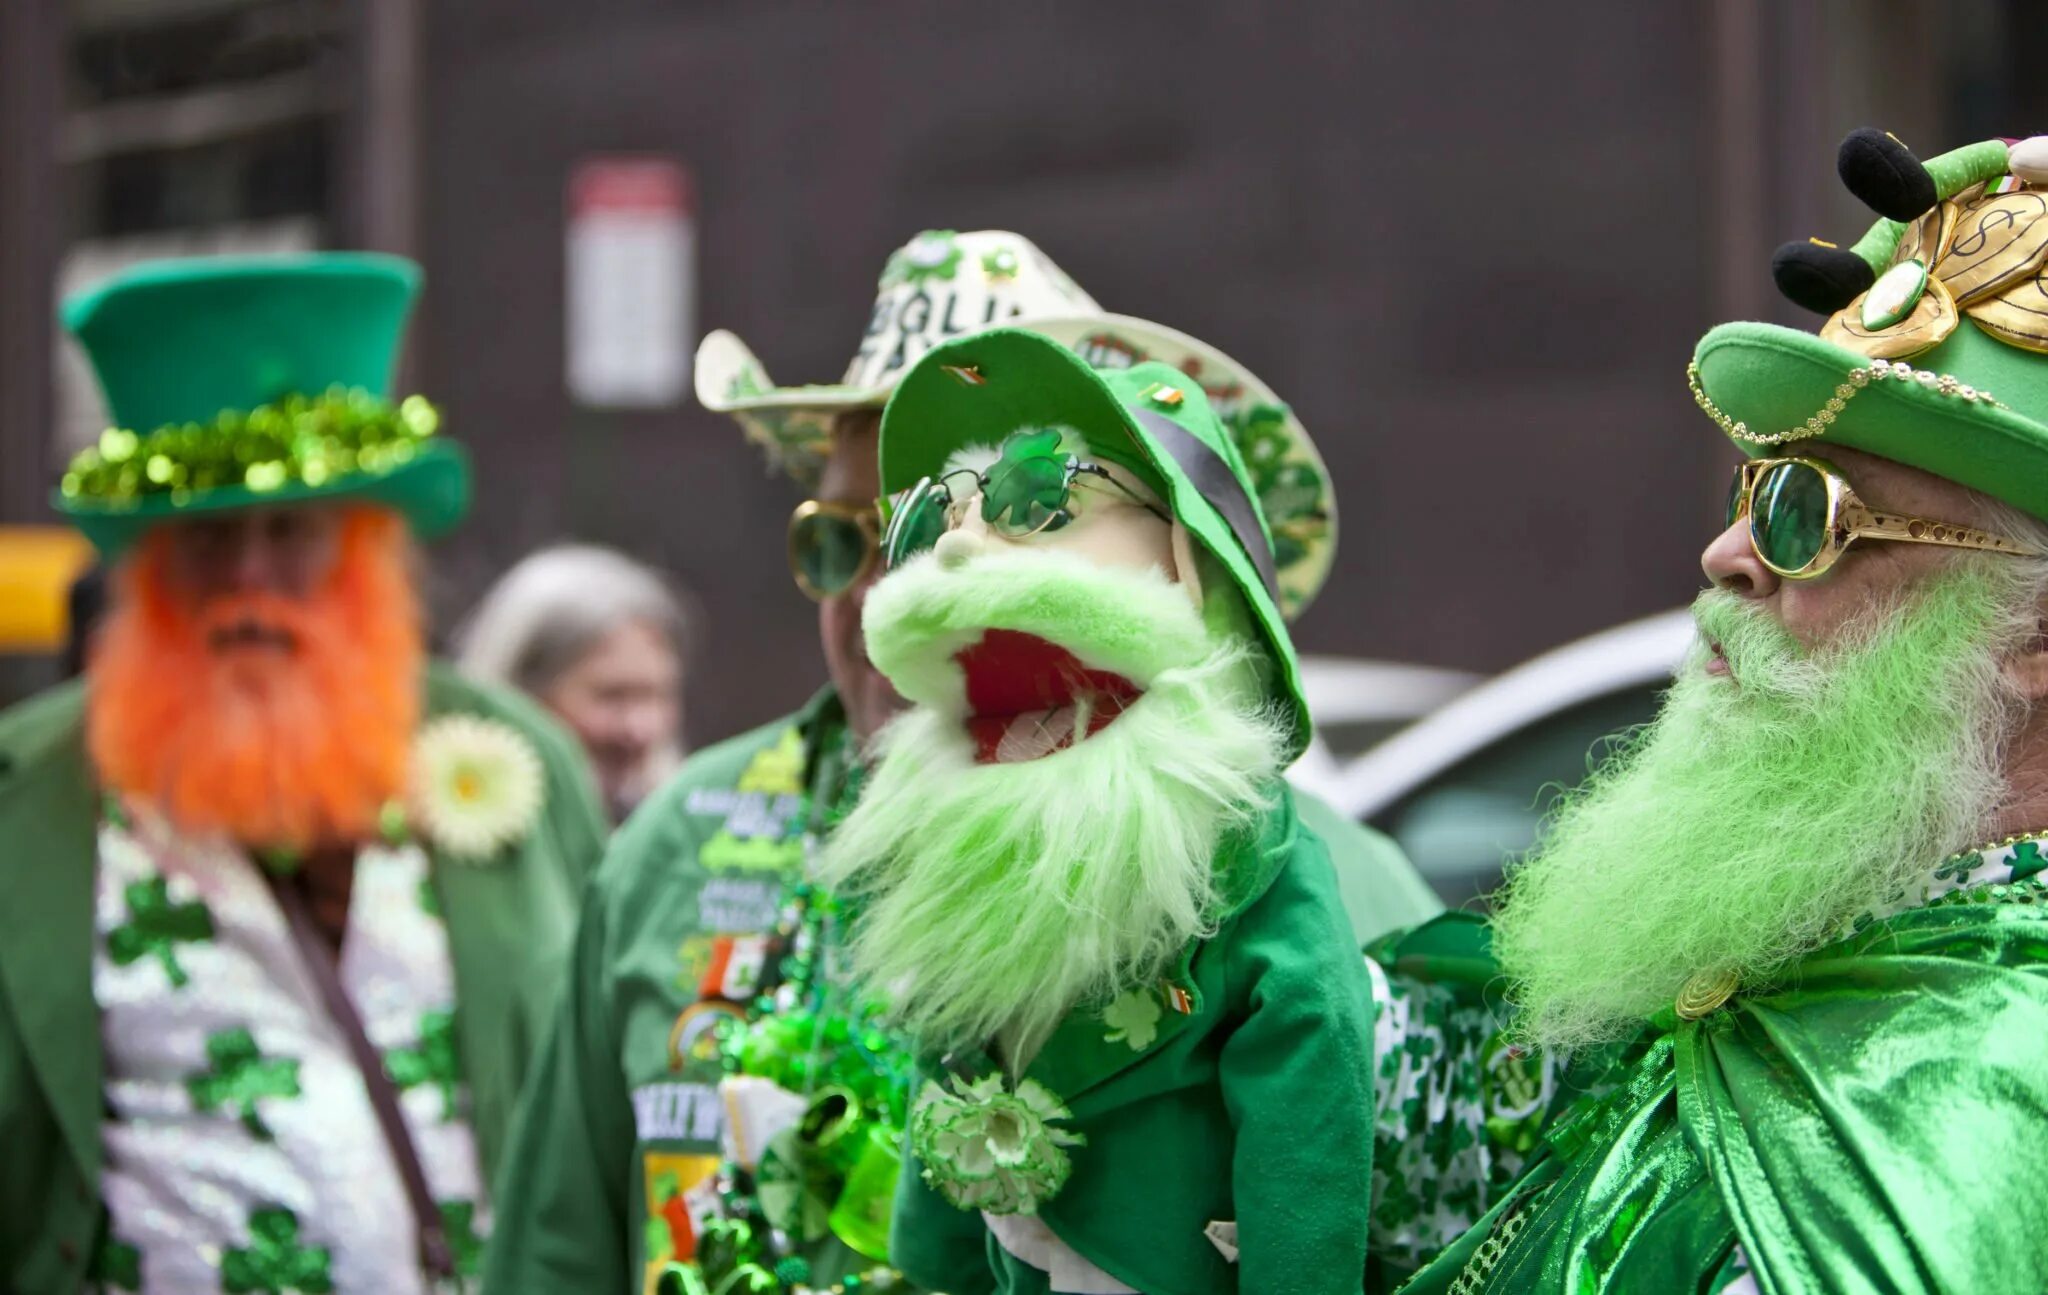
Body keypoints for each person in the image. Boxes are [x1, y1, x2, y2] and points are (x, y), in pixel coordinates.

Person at [484, 230, 1438, 1294]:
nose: (890, 588)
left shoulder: (1318, 877)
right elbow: (553, 1251)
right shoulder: (677, 840)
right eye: (844, 540)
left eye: (1032, 513)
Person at [1372, 130, 2048, 1293]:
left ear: (2033, 639)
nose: (1727, 553)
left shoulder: (1977, 1083)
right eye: (1750, 489)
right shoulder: (1816, 941)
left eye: (1808, 510)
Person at [0, 254, 607, 1294]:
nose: (248, 576)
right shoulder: (29, 791)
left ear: (369, 546)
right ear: (143, 560)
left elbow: (605, 1093)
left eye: (291, 530)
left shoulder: (521, 759)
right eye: (207, 534)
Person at [824, 329, 1374, 1293]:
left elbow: (1309, 1110)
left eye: (1036, 493)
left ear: (1188, 555)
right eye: (926, 517)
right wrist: (935, 1260)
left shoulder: (1252, 856)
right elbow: (947, 1050)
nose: (957, 542)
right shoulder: (959, 822)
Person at [457, 544, 691, 822]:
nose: (639, 729)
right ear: (520, 692)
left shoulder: (680, 835)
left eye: (655, 695)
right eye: (612, 696)